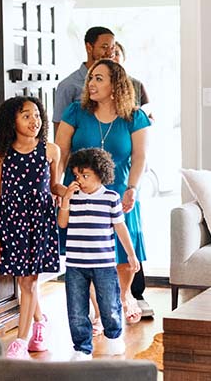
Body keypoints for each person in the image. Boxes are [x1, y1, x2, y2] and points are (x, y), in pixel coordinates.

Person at [56, 59, 150, 325]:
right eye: (91, 78)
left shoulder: (134, 116)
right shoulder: (75, 111)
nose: (92, 83)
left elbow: (140, 157)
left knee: (123, 251)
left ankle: (118, 301)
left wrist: (133, 188)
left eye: (99, 78)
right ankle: (100, 311)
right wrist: (57, 185)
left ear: (115, 85)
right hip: (80, 191)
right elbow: (60, 152)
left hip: (119, 190)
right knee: (87, 253)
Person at [0, 96, 61, 359]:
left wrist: (68, 191)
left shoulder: (51, 150)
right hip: (12, 221)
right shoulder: (0, 153)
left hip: (39, 221)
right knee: (24, 280)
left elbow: (54, 187)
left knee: (29, 281)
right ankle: (41, 323)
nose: (35, 121)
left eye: (37, 115)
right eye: (26, 116)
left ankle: (21, 340)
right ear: (12, 121)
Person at [58, 148, 140, 360]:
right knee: (76, 309)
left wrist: (131, 255)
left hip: (103, 264)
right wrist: (66, 199)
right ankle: (81, 348)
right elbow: (62, 223)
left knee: (109, 303)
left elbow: (121, 229)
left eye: (85, 176)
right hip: (75, 265)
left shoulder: (111, 198)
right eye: (77, 176)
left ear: (100, 174)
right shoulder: (73, 198)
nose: (81, 181)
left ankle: (114, 339)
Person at [112, 40, 154, 319]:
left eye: (116, 52)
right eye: (107, 50)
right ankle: (109, 302)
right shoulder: (81, 92)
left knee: (130, 233)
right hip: (95, 177)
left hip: (128, 167)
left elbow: (148, 116)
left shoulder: (136, 86)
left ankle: (132, 295)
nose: (112, 56)